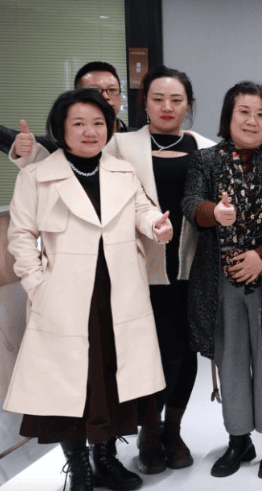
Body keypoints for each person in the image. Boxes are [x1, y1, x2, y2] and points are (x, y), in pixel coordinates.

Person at [5, 88, 171, 491]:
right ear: (60, 129)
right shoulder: (36, 176)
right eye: (78, 123)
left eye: (98, 123)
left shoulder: (121, 171)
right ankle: (78, 466)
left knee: (113, 380)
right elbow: (21, 236)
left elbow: (142, 209)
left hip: (118, 293)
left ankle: (106, 458)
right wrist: (37, 285)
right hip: (63, 297)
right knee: (70, 386)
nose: (90, 131)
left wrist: (156, 225)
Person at [182, 82, 262, 479]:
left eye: (261, 114)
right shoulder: (205, 160)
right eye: (244, 112)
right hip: (220, 279)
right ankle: (238, 439)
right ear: (228, 117)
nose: (252, 121)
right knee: (230, 358)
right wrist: (214, 212)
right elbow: (190, 203)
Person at [102, 66, 215, 474]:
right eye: (158, 99)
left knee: (185, 350)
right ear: (144, 103)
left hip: (194, 269)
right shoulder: (119, 145)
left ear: (189, 105)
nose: (167, 107)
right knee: (149, 352)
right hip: (138, 269)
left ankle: (174, 429)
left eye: (176, 100)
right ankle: (148, 429)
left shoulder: (207, 147)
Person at [7, 61, 129, 162]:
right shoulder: (60, 142)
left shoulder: (135, 138)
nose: (106, 96)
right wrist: (22, 148)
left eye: (112, 90)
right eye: (94, 91)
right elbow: (32, 148)